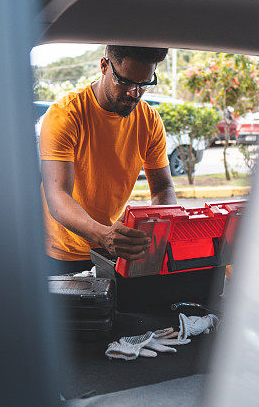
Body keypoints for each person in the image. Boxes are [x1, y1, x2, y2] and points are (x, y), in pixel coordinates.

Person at [39, 45, 178, 274]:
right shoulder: (65, 115)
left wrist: (161, 233)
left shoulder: (150, 121)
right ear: (104, 66)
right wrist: (104, 235)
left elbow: (163, 187)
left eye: (144, 84)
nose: (134, 93)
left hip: (109, 251)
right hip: (59, 253)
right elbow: (57, 194)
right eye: (124, 82)